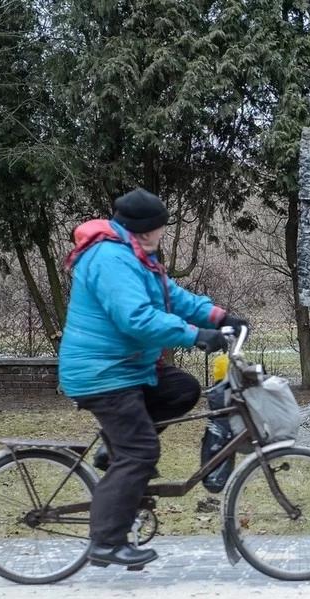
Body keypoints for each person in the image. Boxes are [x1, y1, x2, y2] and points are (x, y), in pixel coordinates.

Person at [58, 187, 246, 569]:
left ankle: (115, 451)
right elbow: (137, 319)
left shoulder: (136, 255)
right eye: (161, 227)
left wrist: (218, 317)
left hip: (126, 366)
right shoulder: (110, 258)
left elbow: (171, 297)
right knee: (141, 452)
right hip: (103, 373)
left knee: (182, 389)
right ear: (147, 229)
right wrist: (195, 336)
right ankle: (106, 542)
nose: (164, 232)